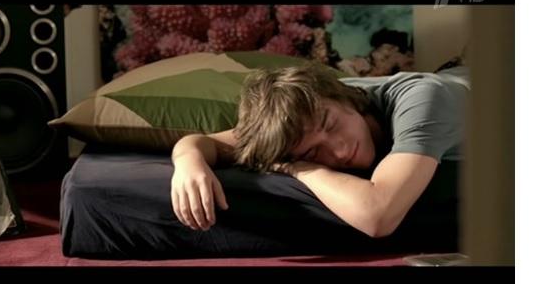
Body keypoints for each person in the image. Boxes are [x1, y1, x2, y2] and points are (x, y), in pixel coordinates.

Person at [170, 62, 470, 238]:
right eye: (312, 152)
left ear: (347, 99)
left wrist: (300, 167)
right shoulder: (301, 118)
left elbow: (378, 215)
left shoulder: (425, 101)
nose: (339, 151)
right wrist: (188, 164)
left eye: (331, 124)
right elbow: (202, 142)